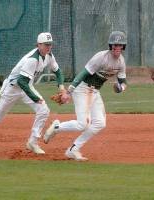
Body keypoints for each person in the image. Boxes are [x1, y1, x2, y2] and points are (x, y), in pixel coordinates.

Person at [0, 32, 67, 154]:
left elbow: (58, 71)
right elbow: (21, 81)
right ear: (38, 45)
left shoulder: (49, 55)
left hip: (26, 87)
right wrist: (35, 98)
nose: (49, 47)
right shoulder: (32, 59)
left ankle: (33, 142)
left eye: (50, 44)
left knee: (43, 110)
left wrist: (61, 87)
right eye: (46, 44)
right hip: (12, 89)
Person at [43, 31, 127, 161]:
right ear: (110, 46)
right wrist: (68, 92)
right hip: (83, 89)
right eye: (115, 45)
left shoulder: (121, 62)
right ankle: (56, 127)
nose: (117, 48)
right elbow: (83, 74)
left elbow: (123, 81)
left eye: (120, 45)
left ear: (123, 47)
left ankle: (73, 150)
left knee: (100, 123)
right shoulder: (101, 57)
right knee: (83, 124)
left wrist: (121, 88)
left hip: (94, 92)